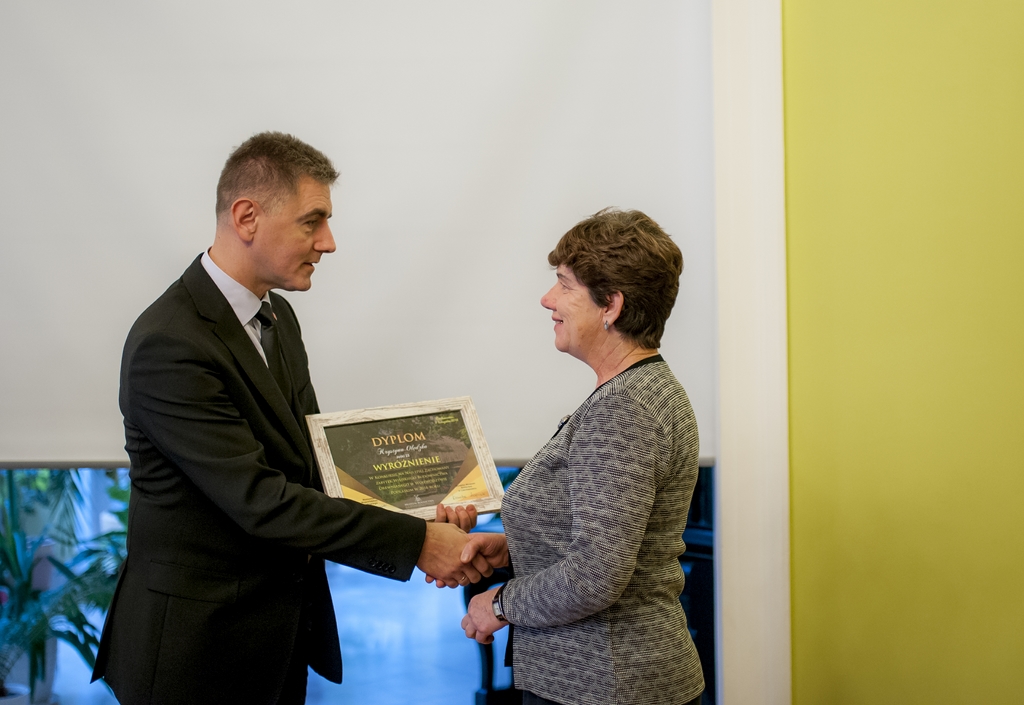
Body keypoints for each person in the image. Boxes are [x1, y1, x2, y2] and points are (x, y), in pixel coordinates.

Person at [92, 132, 488, 704]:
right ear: (246, 217)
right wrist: (419, 542)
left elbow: (314, 463)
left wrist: (430, 500)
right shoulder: (169, 344)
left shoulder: (277, 317)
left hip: (278, 640)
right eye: (312, 221)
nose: (328, 242)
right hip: (198, 654)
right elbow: (262, 501)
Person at [454, 209, 705, 705]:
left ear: (611, 304)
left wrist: (499, 604)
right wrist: (514, 548)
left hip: (607, 683)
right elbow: (614, 539)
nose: (548, 299)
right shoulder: (644, 391)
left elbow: (595, 576)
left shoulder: (623, 409)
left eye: (564, 285)